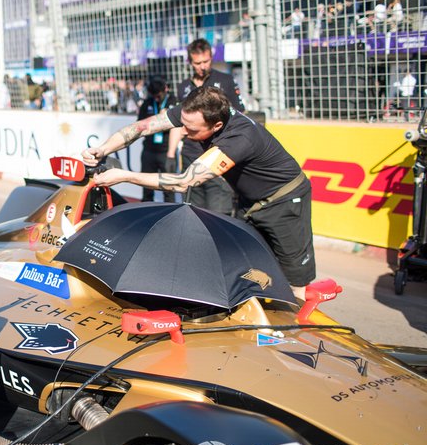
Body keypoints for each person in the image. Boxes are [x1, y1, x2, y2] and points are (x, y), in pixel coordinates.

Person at [79, 86, 315, 300]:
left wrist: (125, 175)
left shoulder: (238, 138)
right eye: (182, 123)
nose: (182, 131)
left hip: (285, 203)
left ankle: (295, 334)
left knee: (294, 282)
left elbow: (184, 182)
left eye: (190, 129)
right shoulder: (198, 109)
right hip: (250, 202)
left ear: (217, 126)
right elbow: (141, 127)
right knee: (248, 267)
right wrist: (103, 149)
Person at [168, 39, 244, 216]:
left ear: (211, 58)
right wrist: (171, 154)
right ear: (190, 62)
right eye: (197, 63)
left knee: (218, 214)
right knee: (194, 213)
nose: (202, 66)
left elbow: (239, 118)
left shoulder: (225, 81)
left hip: (217, 156)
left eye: (206, 61)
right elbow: (178, 122)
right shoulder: (183, 86)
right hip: (191, 156)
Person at [137, 75, 175, 202]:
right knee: (146, 188)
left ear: (165, 89)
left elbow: (179, 127)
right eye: (154, 96)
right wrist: (158, 119)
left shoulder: (173, 102)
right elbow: (140, 125)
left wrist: (166, 118)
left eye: (158, 95)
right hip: (149, 151)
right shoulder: (147, 103)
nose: (156, 99)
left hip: (165, 152)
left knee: (168, 189)